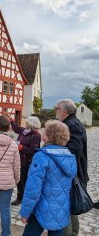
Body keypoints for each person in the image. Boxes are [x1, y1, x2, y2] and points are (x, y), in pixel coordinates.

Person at [20, 120, 77, 236]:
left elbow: (33, 189)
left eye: (44, 130)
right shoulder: (69, 157)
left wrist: (25, 212)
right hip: (61, 210)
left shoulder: (41, 156)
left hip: (41, 211)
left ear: (49, 135)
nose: (42, 132)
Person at [55, 99, 88, 236]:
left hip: (72, 175)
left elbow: (73, 151)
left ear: (64, 112)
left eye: (56, 108)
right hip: (72, 174)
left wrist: (53, 150)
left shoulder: (72, 125)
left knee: (66, 211)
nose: (55, 111)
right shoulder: (71, 123)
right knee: (71, 209)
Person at [7, 115, 41, 206]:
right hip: (19, 159)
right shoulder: (25, 131)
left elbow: (33, 150)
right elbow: (16, 129)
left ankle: (23, 198)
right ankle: (20, 197)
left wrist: (21, 147)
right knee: (19, 179)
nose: (25, 122)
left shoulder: (35, 135)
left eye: (27, 121)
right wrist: (12, 121)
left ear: (31, 123)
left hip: (27, 162)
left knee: (24, 180)